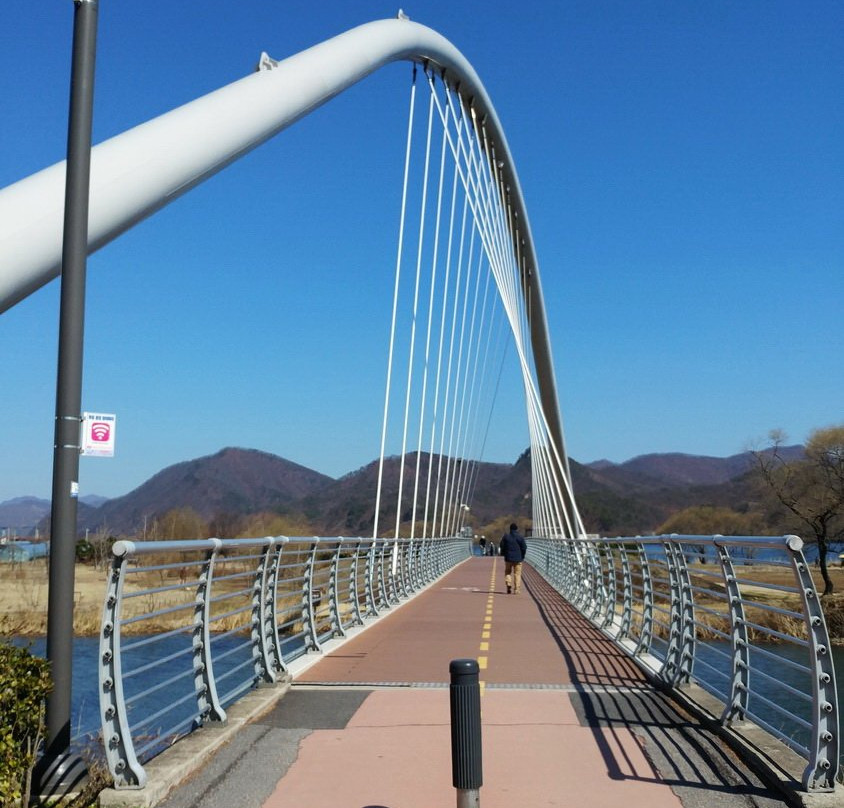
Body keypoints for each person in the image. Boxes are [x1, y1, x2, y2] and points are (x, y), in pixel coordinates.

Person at [499, 523, 526, 594]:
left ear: (510, 529)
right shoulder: (520, 537)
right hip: (518, 558)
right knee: (517, 574)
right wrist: (522, 556)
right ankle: (517, 589)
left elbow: (501, 545)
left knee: (508, 572)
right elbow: (524, 547)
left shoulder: (506, 537)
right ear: (517, 529)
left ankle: (508, 583)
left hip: (508, 558)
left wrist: (504, 553)